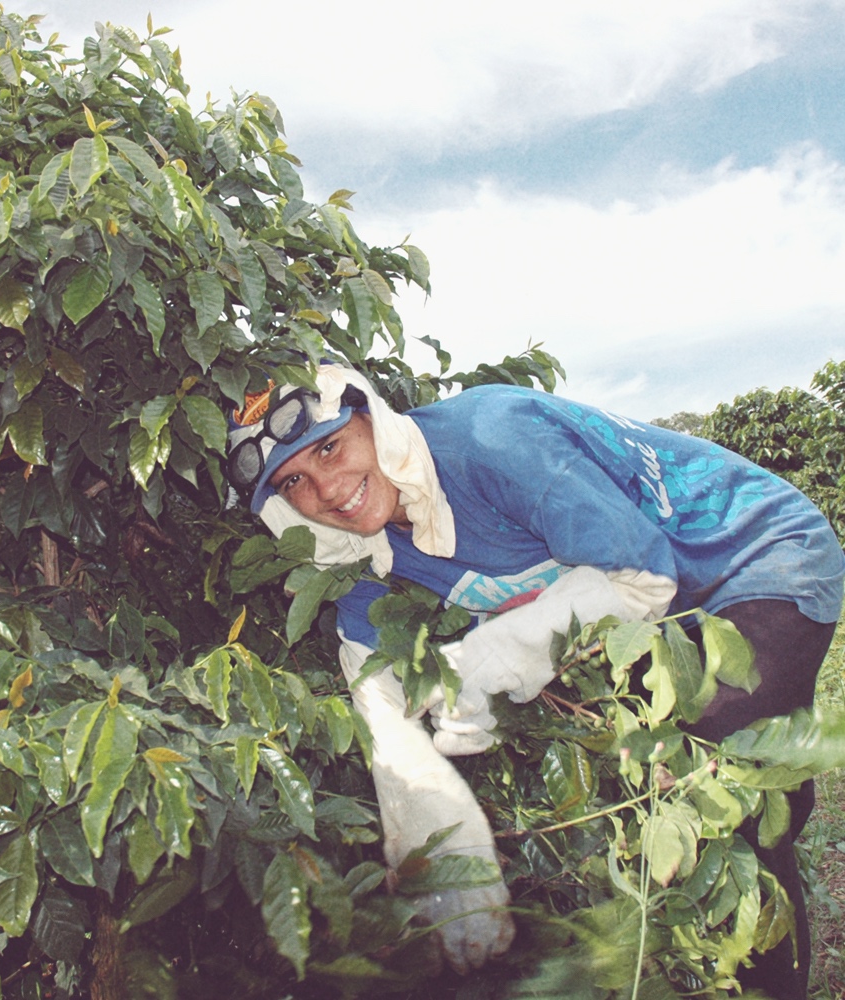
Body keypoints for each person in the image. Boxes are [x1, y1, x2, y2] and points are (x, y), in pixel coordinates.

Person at [226, 363, 845, 992]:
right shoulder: (367, 556)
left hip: (756, 555)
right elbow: (378, 700)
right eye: (296, 481)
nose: (328, 489)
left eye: (330, 446)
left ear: (371, 419)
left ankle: (774, 972)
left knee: (724, 782)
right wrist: (441, 849)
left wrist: (485, 663)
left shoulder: (492, 440)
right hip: (666, 611)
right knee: (642, 778)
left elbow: (643, 578)